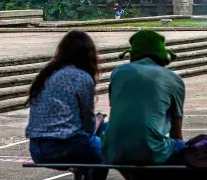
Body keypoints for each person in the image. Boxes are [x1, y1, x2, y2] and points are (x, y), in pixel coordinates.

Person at [26, 30, 107, 180]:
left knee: (104, 130)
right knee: (108, 149)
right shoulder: (82, 77)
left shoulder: (47, 75)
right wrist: (98, 120)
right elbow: (89, 127)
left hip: (36, 148)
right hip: (63, 146)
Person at [103, 30, 186, 165]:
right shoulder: (174, 80)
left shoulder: (118, 73)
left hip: (113, 151)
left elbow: (115, 108)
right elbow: (176, 132)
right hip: (151, 151)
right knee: (184, 147)